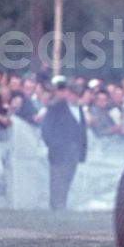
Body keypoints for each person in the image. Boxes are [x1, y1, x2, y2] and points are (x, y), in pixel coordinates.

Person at [40, 75, 88, 211]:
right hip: (59, 152)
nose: (75, 96)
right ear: (67, 92)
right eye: (73, 93)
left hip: (75, 152)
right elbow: (46, 129)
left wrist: (82, 153)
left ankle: (62, 206)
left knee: (67, 180)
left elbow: (82, 132)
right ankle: (56, 208)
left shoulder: (79, 109)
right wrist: (54, 146)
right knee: (57, 181)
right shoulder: (55, 107)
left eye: (78, 94)